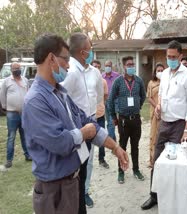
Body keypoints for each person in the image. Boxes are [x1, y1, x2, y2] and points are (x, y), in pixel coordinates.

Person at [22, 33, 128, 214]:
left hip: (71, 182)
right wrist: (83, 133)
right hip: (54, 190)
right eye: (65, 59)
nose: (68, 65)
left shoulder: (60, 93)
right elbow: (59, 142)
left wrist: (115, 148)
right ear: (51, 58)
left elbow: (87, 122)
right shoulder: (36, 100)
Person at [141, 40, 187, 210]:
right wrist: (158, 106)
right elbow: (162, 94)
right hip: (164, 123)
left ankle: (176, 198)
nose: (170, 59)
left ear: (180, 56)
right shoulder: (164, 74)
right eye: (168, 56)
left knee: (177, 163)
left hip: (180, 125)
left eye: (173, 56)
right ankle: (154, 195)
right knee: (157, 161)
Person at [61, 32, 103, 211]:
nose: (92, 51)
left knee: (86, 167)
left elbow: (99, 96)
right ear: (81, 51)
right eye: (90, 48)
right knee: (75, 172)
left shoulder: (95, 72)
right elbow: (60, 102)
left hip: (91, 122)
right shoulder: (69, 74)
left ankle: (82, 198)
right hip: (76, 129)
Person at [108, 56, 146, 184]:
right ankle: (121, 171)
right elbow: (111, 99)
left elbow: (143, 96)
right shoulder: (118, 82)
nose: (131, 67)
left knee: (135, 146)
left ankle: (136, 170)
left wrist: (137, 107)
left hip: (135, 119)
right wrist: (113, 116)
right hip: (123, 120)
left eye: (132, 64)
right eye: (129, 65)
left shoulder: (139, 81)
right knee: (122, 146)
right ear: (124, 66)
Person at [0, 62, 32, 168]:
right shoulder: (6, 81)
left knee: (25, 136)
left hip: (24, 113)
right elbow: (2, 95)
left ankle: (28, 155)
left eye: (18, 68)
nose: (17, 70)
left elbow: (29, 93)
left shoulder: (25, 80)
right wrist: (5, 107)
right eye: (15, 68)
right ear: (11, 70)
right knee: (11, 137)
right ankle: (9, 160)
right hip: (12, 114)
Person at [92, 60, 110, 169]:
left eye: (99, 67)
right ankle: (85, 160)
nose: (97, 69)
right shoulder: (86, 80)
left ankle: (101, 159)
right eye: (95, 66)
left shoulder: (103, 82)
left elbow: (105, 96)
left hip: (100, 114)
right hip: (89, 116)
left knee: (102, 138)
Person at [146, 63, 164, 167]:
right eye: (158, 70)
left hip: (165, 112)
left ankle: (161, 159)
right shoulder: (151, 83)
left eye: (162, 70)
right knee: (153, 135)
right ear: (155, 72)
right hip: (155, 112)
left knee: (162, 136)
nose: (160, 72)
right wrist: (157, 106)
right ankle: (152, 160)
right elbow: (149, 97)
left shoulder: (167, 82)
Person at [102, 60, 120, 142]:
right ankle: (114, 140)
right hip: (105, 101)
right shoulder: (101, 76)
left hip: (114, 101)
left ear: (111, 66)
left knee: (111, 121)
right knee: (108, 122)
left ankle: (112, 143)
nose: (107, 67)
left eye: (108, 66)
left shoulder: (117, 76)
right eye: (106, 66)